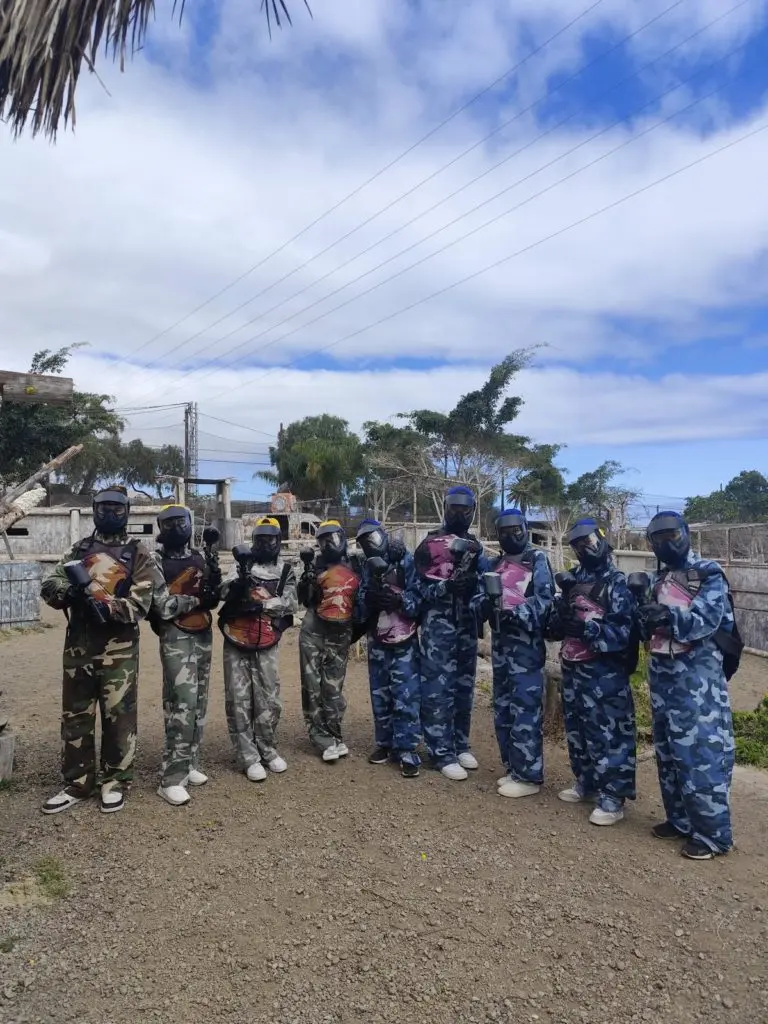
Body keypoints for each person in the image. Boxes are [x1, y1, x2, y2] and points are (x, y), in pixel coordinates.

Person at [39, 487, 157, 814]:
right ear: (94, 510)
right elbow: (50, 583)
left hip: (119, 650)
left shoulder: (137, 553)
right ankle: (77, 783)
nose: (110, 513)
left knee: (119, 717)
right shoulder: (79, 549)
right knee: (75, 716)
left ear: (127, 511)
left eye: (117, 508)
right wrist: (71, 594)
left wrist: (106, 606)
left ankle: (115, 781)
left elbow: (142, 602)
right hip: (79, 647)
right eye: (103, 507)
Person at [638, 511, 739, 860]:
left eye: (672, 536)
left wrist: (667, 615)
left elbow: (706, 620)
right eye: (658, 539)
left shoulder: (707, 573)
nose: (667, 544)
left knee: (701, 755)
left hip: (696, 679)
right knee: (668, 752)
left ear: (685, 534)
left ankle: (713, 836)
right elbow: (648, 623)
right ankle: (680, 821)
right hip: (663, 676)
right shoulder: (660, 577)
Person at [550, 518, 637, 826]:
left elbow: (625, 632)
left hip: (605, 672)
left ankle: (613, 796)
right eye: (578, 546)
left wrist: (589, 629)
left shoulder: (617, 582)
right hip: (573, 668)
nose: (585, 549)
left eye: (588, 542)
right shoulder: (571, 580)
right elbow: (553, 626)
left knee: (609, 733)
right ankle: (586, 782)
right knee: (578, 730)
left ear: (602, 539)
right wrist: (561, 616)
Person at [150, 506, 221, 807]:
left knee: (199, 702)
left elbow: (212, 595)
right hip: (175, 636)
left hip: (202, 632)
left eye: (182, 522)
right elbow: (161, 605)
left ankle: (190, 761)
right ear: (161, 528)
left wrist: (216, 586)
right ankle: (171, 778)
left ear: (191, 524)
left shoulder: (201, 557)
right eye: (169, 523)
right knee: (181, 701)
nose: (177, 527)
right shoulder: (154, 560)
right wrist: (196, 599)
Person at [218, 517, 298, 781]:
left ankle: (267, 749)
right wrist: (237, 586)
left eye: (270, 540)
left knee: (269, 698)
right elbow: (223, 591)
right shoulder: (241, 565)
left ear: (278, 541)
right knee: (238, 698)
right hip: (237, 640)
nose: (265, 544)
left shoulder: (286, 570)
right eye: (260, 540)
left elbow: (290, 603)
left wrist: (263, 605)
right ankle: (248, 756)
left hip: (267, 641)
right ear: (253, 541)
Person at [414, 486, 485, 781]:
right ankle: (440, 752)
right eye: (454, 508)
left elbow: (487, 583)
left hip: (466, 624)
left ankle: (459, 743)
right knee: (436, 690)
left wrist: (475, 586)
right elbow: (417, 589)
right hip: (438, 627)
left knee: (464, 687)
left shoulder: (475, 547)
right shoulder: (429, 544)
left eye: (465, 509)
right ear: (445, 508)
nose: (459, 514)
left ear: (472, 511)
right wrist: (446, 587)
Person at [485, 509, 555, 799]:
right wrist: (485, 606)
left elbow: (545, 600)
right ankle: (513, 767)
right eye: (504, 531)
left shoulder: (536, 559)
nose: (511, 535)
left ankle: (528, 775)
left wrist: (517, 613)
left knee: (525, 708)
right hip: (501, 645)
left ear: (525, 529)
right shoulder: (496, 563)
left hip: (525, 646)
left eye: (516, 529)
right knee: (503, 707)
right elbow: (483, 596)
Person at [355, 520, 422, 779]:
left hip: (404, 639)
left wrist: (399, 600)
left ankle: (406, 749)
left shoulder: (405, 560)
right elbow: (359, 606)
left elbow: (419, 598)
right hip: (377, 640)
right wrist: (369, 600)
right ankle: (384, 743)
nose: (369, 545)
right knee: (380, 693)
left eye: (372, 538)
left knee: (406, 694)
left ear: (383, 535)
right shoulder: (366, 567)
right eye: (364, 542)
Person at [298, 520, 360, 762]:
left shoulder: (356, 563)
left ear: (342, 538)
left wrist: (357, 631)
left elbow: (362, 599)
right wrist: (307, 582)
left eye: (332, 539)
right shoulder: (314, 566)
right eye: (323, 541)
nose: (328, 545)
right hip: (314, 631)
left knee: (333, 687)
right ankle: (321, 737)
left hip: (340, 633)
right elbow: (304, 600)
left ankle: (334, 733)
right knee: (312, 686)